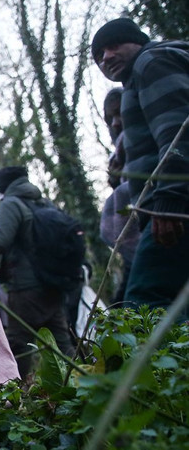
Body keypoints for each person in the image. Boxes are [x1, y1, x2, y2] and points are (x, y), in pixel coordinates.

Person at [91, 18, 189, 320]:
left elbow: (178, 132)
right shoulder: (139, 77)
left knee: (144, 302)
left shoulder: (151, 63)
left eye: (114, 46)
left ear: (137, 42)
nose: (107, 57)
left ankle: (158, 354)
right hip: (169, 206)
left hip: (174, 208)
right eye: (99, 55)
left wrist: (169, 201)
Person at [0, 167, 75, 378]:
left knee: (18, 345)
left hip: (25, 288)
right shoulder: (44, 203)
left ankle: (15, 391)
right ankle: (81, 387)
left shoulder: (11, 203)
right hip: (52, 283)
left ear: (2, 187)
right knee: (62, 345)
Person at [98, 87, 140, 306]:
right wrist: (115, 180)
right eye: (110, 118)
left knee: (137, 301)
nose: (115, 123)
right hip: (138, 244)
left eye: (119, 113)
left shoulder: (144, 141)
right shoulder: (120, 153)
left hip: (157, 231)